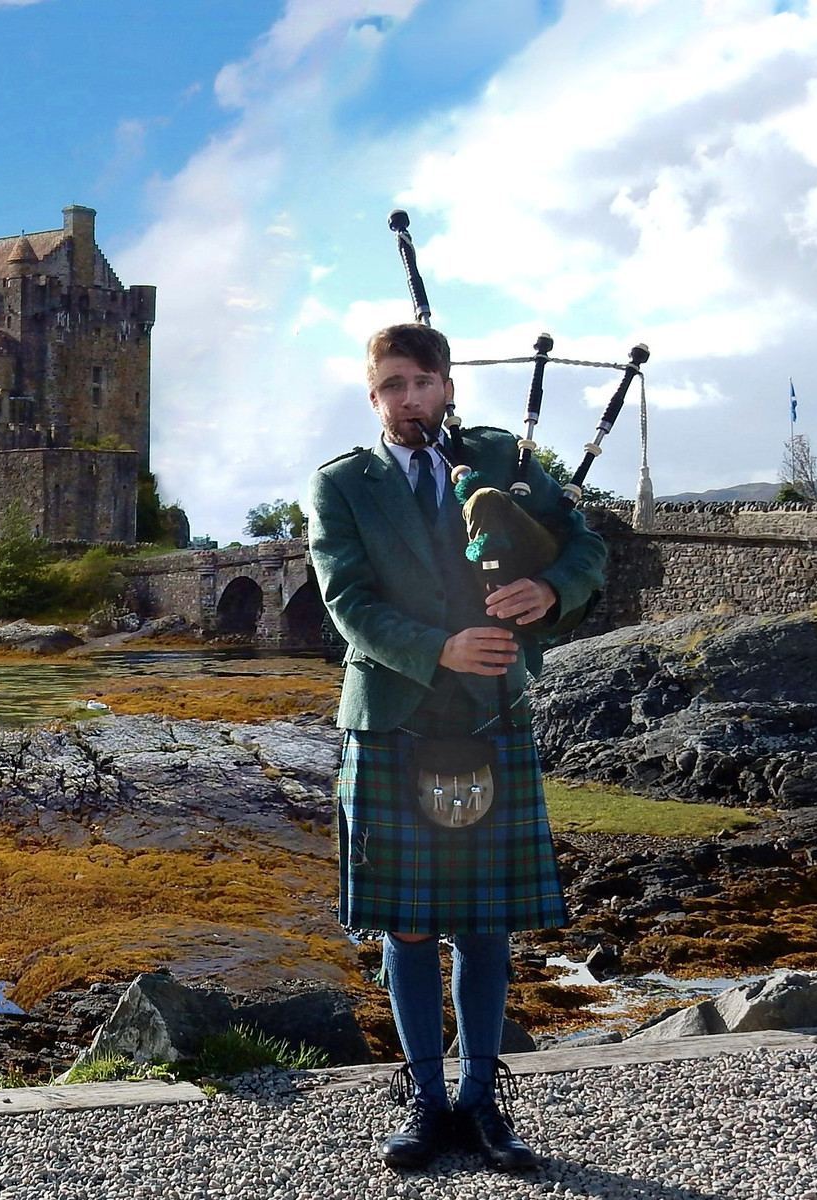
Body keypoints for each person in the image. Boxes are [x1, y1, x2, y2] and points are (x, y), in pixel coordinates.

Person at [305, 323, 605, 1173]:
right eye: (391, 385)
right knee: (404, 927)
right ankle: (423, 1099)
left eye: (421, 382)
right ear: (373, 397)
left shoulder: (499, 461)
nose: (408, 399)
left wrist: (547, 589)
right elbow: (346, 600)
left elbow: (585, 549)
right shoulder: (343, 486)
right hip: (393, 717)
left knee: (483, 926)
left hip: (490, 715)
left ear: (446, 387)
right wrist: (436, 647)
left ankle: (479, 1099)